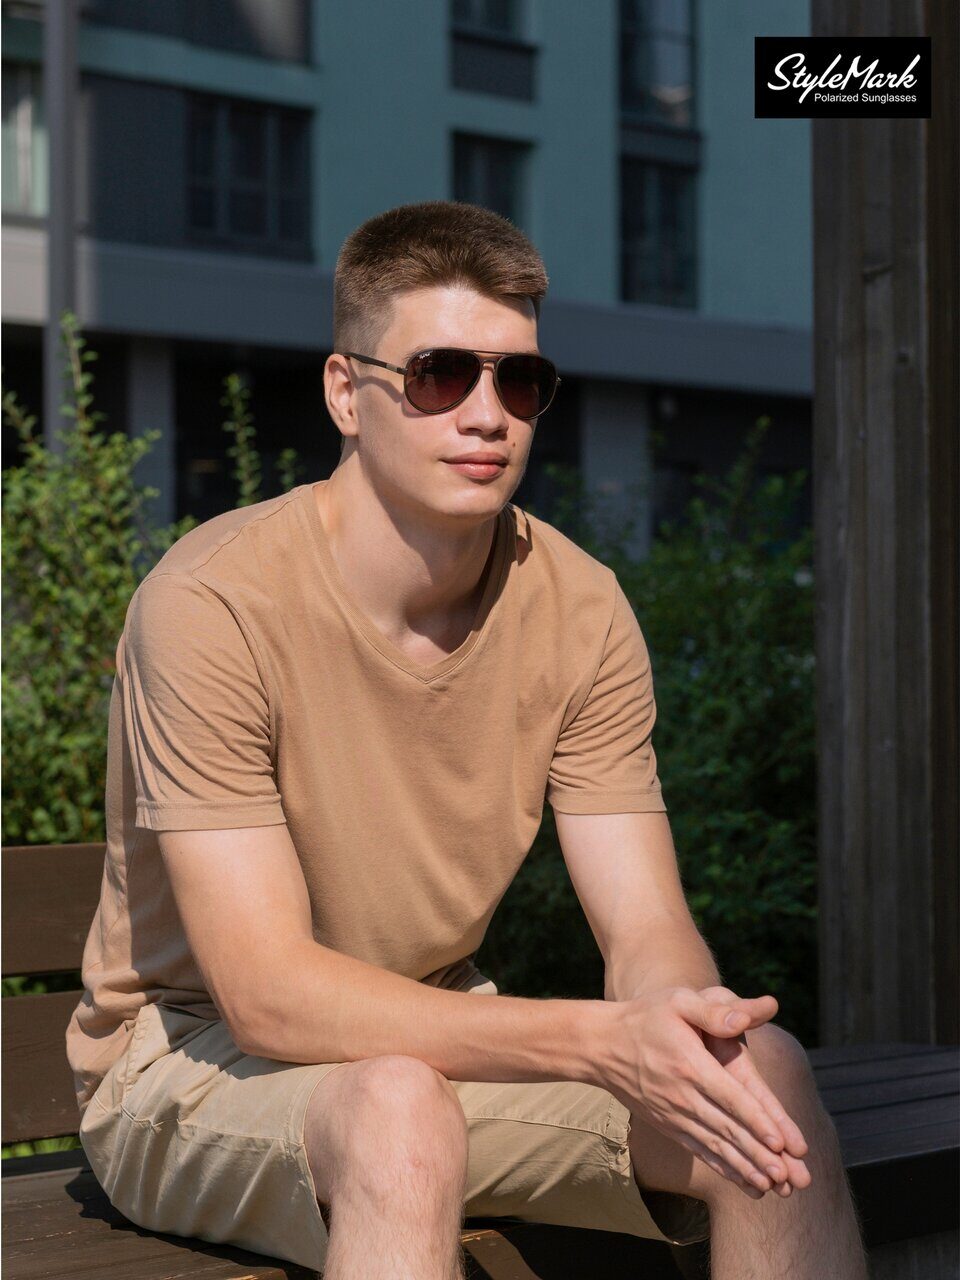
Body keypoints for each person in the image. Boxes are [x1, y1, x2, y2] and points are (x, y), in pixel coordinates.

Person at [67, 200, 867, 1280]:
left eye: (519, 381)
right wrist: (592, 1039)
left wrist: (682, 1021)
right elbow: (267, 993)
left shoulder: (580, 607)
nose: (488, 415)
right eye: (440, 375)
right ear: (345, 392)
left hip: (436, 1046)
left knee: (761, 1086)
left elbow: (645, 926)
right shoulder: (213, 603)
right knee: (398, 1113)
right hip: (188, 1064)